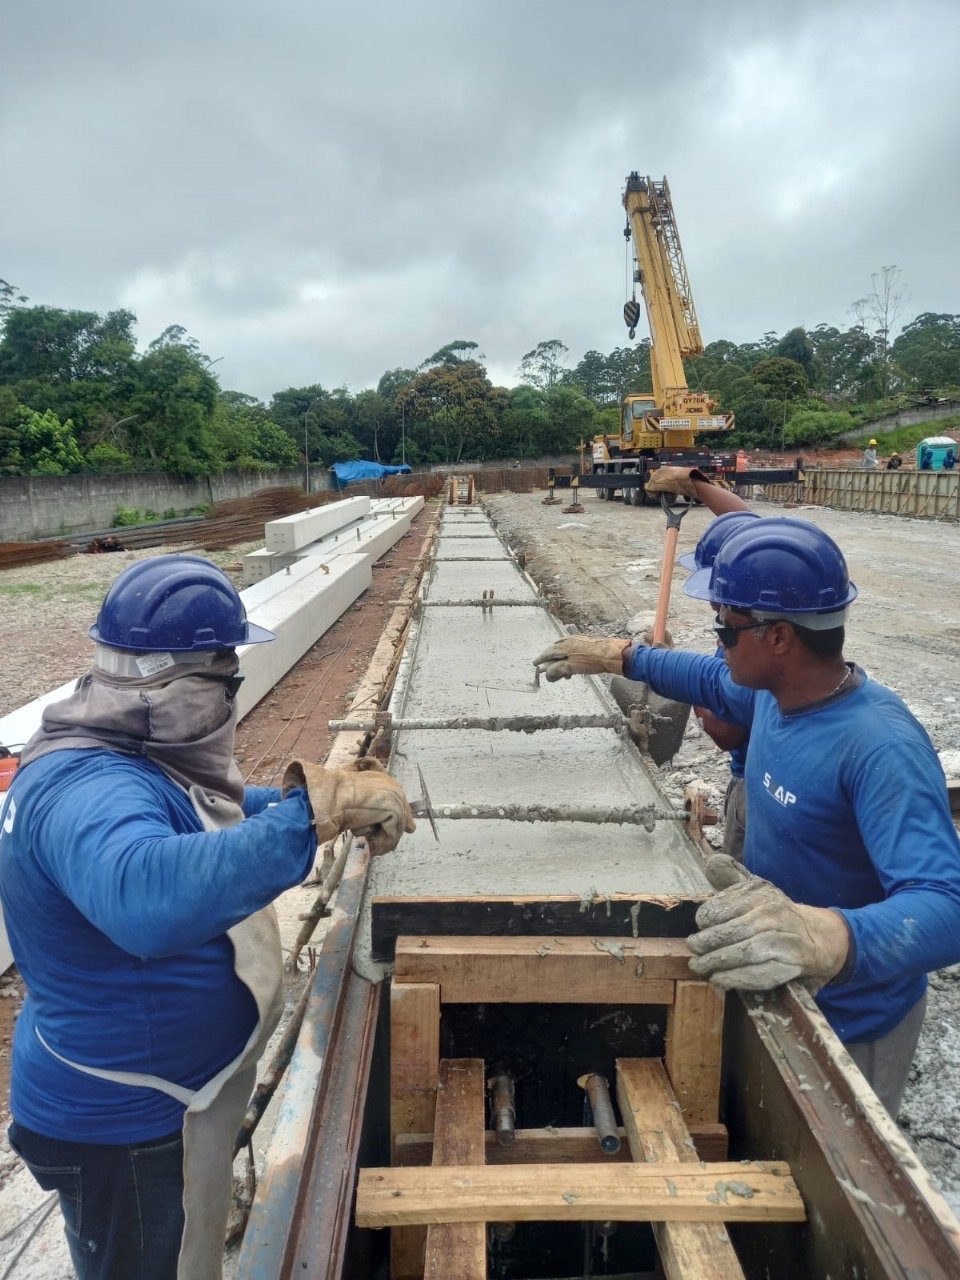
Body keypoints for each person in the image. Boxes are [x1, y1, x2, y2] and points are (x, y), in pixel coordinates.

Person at [0, 554, 415, 1280]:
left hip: (155, 1106)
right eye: (226, 682)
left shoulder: (120, 751)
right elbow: (145, 897)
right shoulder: (85, 788)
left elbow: (203, 815)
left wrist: (313, 802)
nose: (230, 701)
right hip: (126, 1131)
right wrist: (309, 822)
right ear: (183, 687)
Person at [533, 518, 960, 1116]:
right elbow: (704, 675)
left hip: (849, 1018)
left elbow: (947, 906)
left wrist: (829, 936)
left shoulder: (879, 747)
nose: (719, 642)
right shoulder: (774, 693)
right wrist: (621, 656)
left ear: (779, 637)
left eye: (726, 630)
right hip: (771, 974)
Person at [644, 466, 757, 860]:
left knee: (751, 890)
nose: (711, 598)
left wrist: (692, 688)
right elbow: (743, 520)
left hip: (756, 787)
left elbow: (724, 732)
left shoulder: (744, 645)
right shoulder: (772, 579)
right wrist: (696, 483)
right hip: (777, 779)